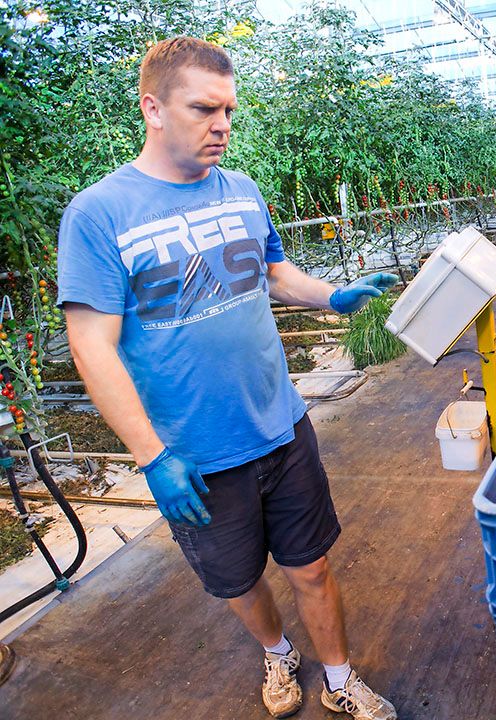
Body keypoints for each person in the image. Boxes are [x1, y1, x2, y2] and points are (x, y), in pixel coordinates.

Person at [57, 37, 396, 720]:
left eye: (229, 111)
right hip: (196, 454)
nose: (222, 126)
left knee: (313, 566)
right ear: (153, 108)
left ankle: (338, 677)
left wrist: (332, 295)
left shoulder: (241, 190)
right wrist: (152, 456)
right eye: (203, 109)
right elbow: (91, 344)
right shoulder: (100, 213)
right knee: (238, 579)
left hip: (280, 423)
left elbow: (273, 274)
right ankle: (278, 655)